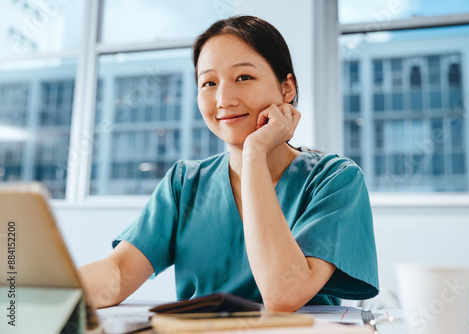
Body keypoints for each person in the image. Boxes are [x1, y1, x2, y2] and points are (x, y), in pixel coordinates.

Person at [78, 15, 379, 312]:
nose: (223, 99)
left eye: (244, 77)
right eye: (208, 83)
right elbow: (117, 275)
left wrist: (255, 154)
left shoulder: (335, 179)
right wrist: (48, 291)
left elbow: (284, 294)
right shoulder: (185, 183)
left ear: (287, 88)